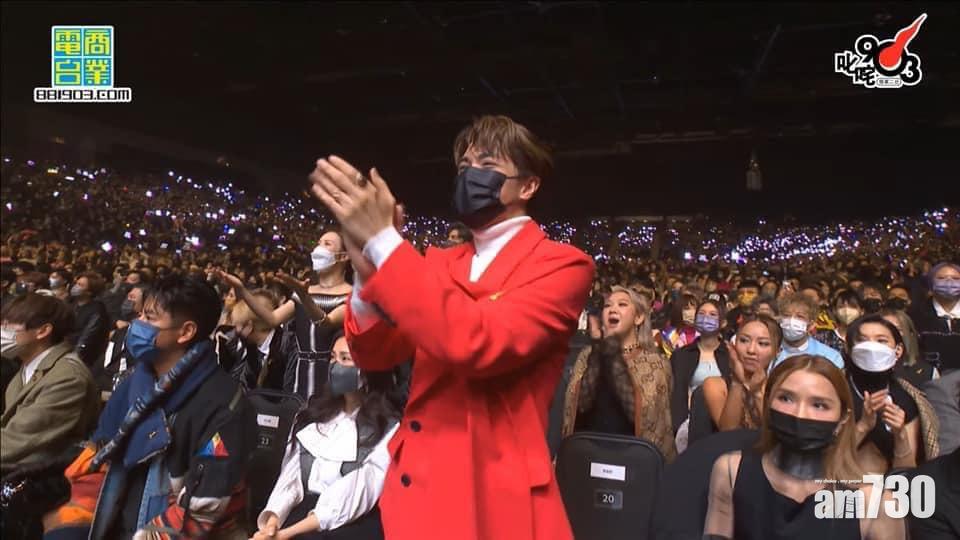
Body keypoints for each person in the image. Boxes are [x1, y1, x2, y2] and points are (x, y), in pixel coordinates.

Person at [309, 115, 594, 540]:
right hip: (418, 487)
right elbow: (376, 354)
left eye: (487, 164)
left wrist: (386, 243)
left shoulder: (562, 265)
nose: (470, 174)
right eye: (463, 166)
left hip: (493, 498)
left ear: (528, 186)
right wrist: (366, 277)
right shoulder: (438, 263)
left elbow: (478, 344)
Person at [44, 275, 257, 539]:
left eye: (150, 318)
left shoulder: (224, 403)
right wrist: (70, 521)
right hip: (116, 517)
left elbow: (204, 507)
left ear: (186, 332)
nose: (137, 325)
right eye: (141, 315)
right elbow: (100, 457)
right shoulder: (134, 383)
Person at [703, 355, 906, 540]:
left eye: (819, 405)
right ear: (768, 403)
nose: (800, 415)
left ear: (842, 418)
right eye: (786, 398)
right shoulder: (730, 471)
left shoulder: (876, 503)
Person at [254, 333, 400, 540]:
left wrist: (286, 534)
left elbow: (355, 494)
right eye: (332, 357)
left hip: (348, 525)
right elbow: (291, 478)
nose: (335, 366)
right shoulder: (313, 414)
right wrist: (272, 524)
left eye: (345, 359)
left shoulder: (387, 428)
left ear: (367, 370)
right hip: (301, 513)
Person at [218, 230, 352, 400]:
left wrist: (304, 297)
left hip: (332, 369)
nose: (319, 248)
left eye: (327, 244)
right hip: (301, 371)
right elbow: (272, 319)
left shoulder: (351, 295)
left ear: (344, 256)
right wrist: (242, 291)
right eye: (319, 243)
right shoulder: (304, 291)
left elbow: (326, 323)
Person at [561, 286, 676, 461]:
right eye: (607, 305)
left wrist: (610, 352)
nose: (612, 309)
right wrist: (600, 351)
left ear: (638, 318)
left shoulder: (655, 363)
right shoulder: (588, 355)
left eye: (622, 304)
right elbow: (579, 406)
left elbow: (647, 418)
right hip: (588, 454)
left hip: (633, 460)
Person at [0, 293, 98, 470]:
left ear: (43, 331)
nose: (2, 330)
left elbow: (20, 439)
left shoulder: (68, 377)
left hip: (40, 475)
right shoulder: (29, 366)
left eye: (9, 324)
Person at [845, 314, 939, 474]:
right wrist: (863, 427)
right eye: (862, 340)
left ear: (898, 350)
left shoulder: (907, 398)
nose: (871, 347)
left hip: (888, 485)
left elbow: (906, 472)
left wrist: (900, 434)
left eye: (881, 341)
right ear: (848, 348)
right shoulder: (834, 390)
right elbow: (824, 461)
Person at [703, 315, 781, 432]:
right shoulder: (715, 384)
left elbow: (777, 434)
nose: (751, 350)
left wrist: (757, 394)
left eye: (762, 343)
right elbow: (728, 432)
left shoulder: (781, 388)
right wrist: (737, 382)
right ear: (733, 345)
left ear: (777, 352)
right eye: (744, 340)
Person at [670, 299, 730, 435]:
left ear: (723, 322)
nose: (706, 318)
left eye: (712, 314)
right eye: (701, 314)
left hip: (723, 423)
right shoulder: (681, 355)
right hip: (690, 423)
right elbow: (676, 392)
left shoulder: (730, 354)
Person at [91, 283, 150, 393]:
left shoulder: (145, 339)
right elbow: (102, 361)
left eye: (132, 298)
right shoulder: (120, 332)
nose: (128, 301)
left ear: (145, 306)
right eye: (128, 296)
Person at [909, 262, 960, 373]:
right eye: (941, 278)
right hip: (928, 378)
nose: (949, 282)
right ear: (931, 284)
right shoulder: (915, 316)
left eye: (955, 278)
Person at [773, 292, 844, 370]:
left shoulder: (830, 357)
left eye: (800, 316)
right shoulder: (770, 350)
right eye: (787, 315)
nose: (791, 320)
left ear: (811, 325)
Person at [880, 308, 938, 386]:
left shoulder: (928, 373)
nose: (890, 334)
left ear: (910, 334)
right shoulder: (864, 370)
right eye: (884, 329)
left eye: (898, 329)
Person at [67, 271, 110, 367]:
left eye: (80, 285)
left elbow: (87, 336)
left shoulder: (97, 310)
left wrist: (74, 357)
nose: (75, 287)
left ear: (89, 292)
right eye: (76, 283)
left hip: (82, 356)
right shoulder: (71, 303)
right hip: (66, 346)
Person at [817, 290, 862, 355]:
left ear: (862, 311)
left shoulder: (866, 338)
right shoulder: (822, 337)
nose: (846, 310)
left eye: (852, 306)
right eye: (841, 306)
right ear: (834, 310)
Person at [660, 293, 700, 357]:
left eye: (695, 308)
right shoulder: (669, 334)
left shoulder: (704, 334)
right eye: (687, 308)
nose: (692, 312)